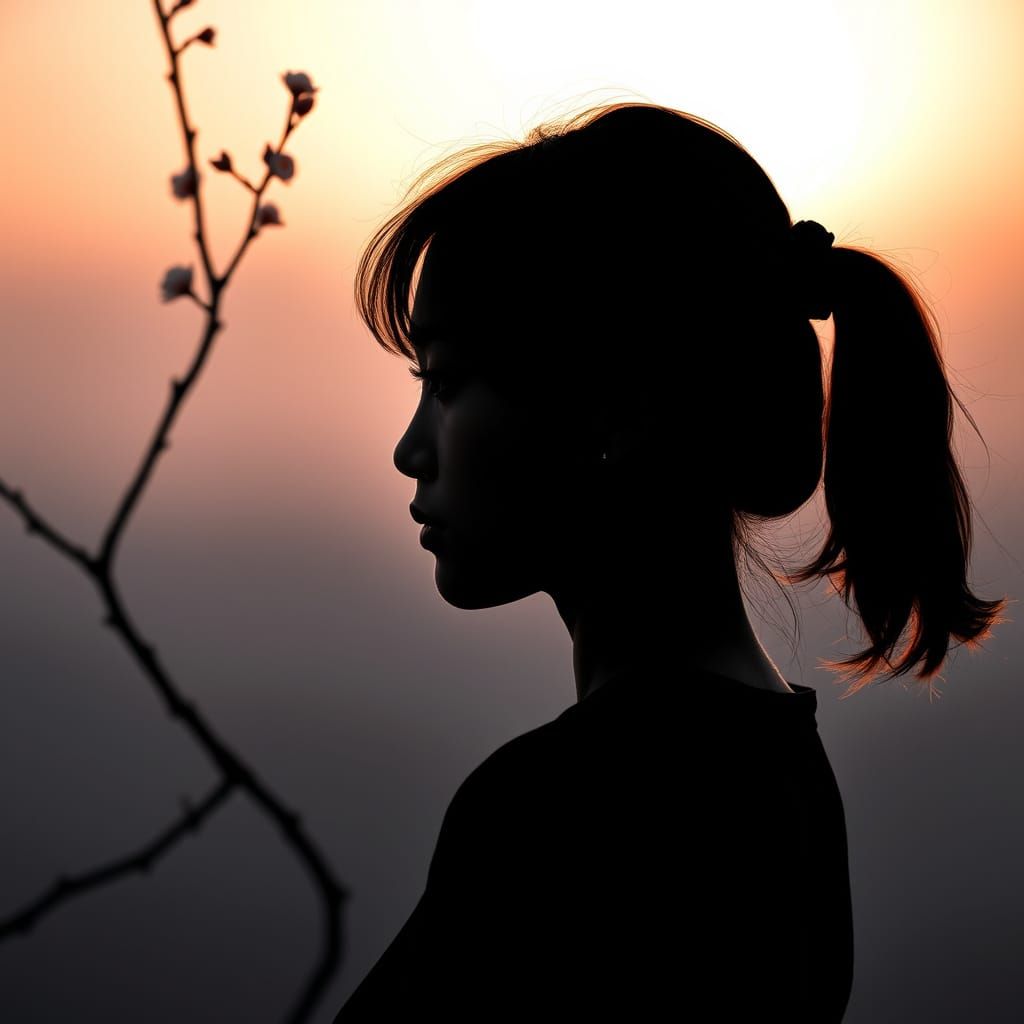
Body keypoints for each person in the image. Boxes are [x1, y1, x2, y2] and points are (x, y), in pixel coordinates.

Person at [333, 102, 1007, 1021]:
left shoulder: (562, 815)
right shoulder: (778, 772)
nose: (411, 451)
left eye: (447, 384)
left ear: (614, 409)